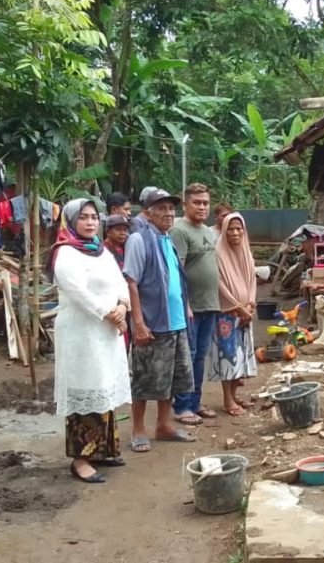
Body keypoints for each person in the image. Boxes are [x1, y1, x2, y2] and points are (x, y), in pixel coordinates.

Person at [50, 199, 130, 483]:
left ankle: (102, 450)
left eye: (94, 217)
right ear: (71, 221)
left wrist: (123, 305)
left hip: (106, 333)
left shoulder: (101, 250)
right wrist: (110, 313)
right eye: (83, 217)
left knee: (104, 386)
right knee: (85, 389)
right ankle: (80, 459)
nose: (90, 222)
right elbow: (78, 292)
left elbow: (120, 281)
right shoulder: (65, 253)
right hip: (81, 335)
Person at [124, 189, 196, 452]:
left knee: (172, 378)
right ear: (147, 213)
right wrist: (139, 323)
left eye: (171, 208)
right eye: (161, 208)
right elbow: (131, 281)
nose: (168, 213)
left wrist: (186, 307)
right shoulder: (138, 239)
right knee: (145, 379)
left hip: (176, 322)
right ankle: (138, 429)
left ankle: (164, 425)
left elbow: (176, 278)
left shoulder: (168, 239)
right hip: (152, 324)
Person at [170, 183, 220, 425]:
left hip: (210, 304)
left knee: (200, 356)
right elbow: (177, 270)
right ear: (185, 204)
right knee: (187, 357)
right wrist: (185, 304)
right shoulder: (179, 231)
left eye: (205, 203)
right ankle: (182, 406)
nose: (202, 207)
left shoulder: (208, 231)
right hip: (191, 308)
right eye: (197, 203)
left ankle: (196, 402)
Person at [208, 213, 258, 415]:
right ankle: (227, 400)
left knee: (241, 356)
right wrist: (239, 307)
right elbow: (219, 285)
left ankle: (235, 395)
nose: (235, 233)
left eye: (239, 229)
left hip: (245, 314)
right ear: (224, 230)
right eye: (231, 229)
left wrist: (250, 304)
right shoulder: (218, 253)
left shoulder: (246, 252)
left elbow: (252, 280)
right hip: (227, 315)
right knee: (228, 356)